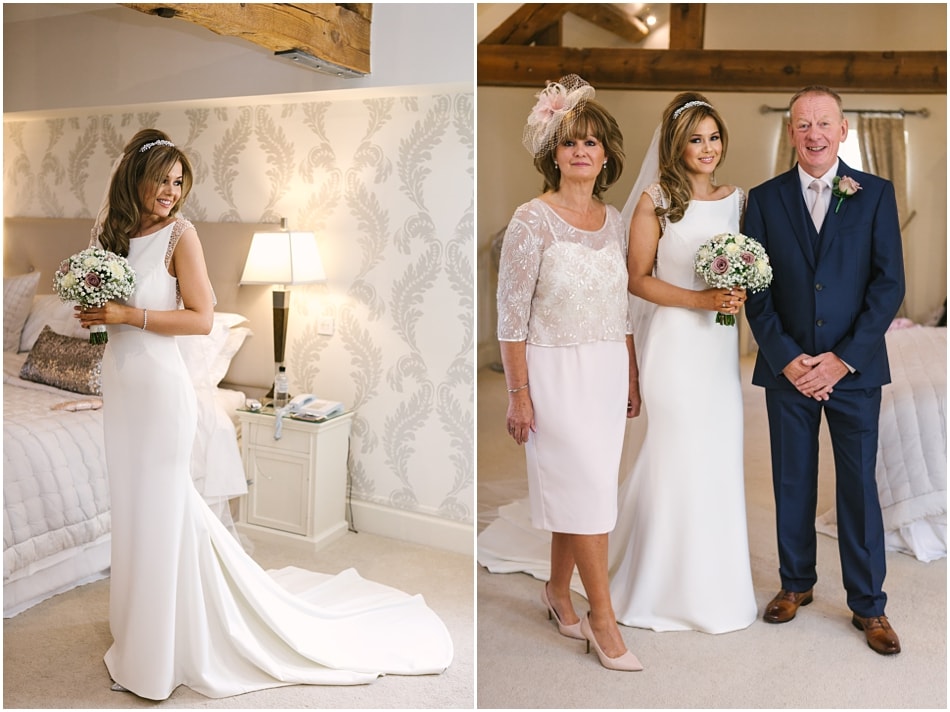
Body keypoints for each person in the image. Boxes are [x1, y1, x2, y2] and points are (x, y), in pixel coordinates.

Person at [77, 128, 453, 700]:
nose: (171, 192)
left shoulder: (183, 235)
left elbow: (203, 319)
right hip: (122, 391)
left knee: (162, 507)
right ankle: (137, 630)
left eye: (180, 182)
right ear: (137, 178)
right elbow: (116, 317)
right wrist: (100, 316)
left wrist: (129, 315)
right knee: (133, 509)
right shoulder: (116, 235)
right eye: (163, 180)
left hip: (159, 392)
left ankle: (164, 650)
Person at [743, 86, 905, 655]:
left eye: (824, 123)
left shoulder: (875, 195)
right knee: (792, 478)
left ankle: (869, 606)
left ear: (842, 131)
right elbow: (755, 290)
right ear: (791, 133)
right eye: (803, 124)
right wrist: (788, 358)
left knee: (858, 486)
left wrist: (841, 358)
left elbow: (889, 286)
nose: (813, 134)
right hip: (788, 370)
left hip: (853, 371)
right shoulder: (762, 200)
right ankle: (795, 584)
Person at [493, 75, 641, 671]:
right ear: (553, 154)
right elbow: (509, 317)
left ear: (606, 155)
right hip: (553, 373)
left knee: (590, 490)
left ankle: (557, 592)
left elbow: (623, 306)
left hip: (606, 368)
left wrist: (631, 374)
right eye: (569, 142)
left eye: (592, 143)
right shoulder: (531, 220)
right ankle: (602, 622)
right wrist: (518, 394)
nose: (581, 152)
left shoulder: (613, 220)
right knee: (586, 495)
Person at [608, 92, 758, 634]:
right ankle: (655, 585)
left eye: (714, 137)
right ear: (677, 144)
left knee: (716, 458)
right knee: (673, 454)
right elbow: (637, 278)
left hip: (718, 352)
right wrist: (700, 299)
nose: (707, 148)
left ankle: (716, 585)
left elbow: (750, 266)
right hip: (673, 346)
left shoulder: (737, 201)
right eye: (696, 138)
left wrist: (738, 289)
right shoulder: (656, 200)